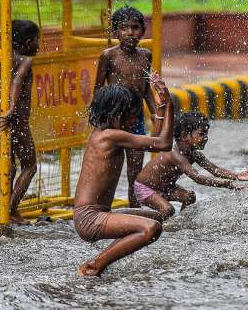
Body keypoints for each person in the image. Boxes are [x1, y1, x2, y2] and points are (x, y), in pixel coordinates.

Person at [74, 73, 174, 277]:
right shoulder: (111, 136)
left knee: (158, 217)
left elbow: (154, 140)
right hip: (90, 218)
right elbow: (164, 144)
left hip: (98, 214)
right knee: (151, 228)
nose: (134, 120)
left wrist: (161, 108)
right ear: (116, 114)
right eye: (131, 115)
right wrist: (170, 103)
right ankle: (95, 265)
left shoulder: (105, 134)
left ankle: (101, 261)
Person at [133, 112, 248, 220]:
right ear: (184, 136)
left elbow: (215, 169)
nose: (206, 138)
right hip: (145, 188)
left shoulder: (194, 154)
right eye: (201, 134)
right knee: (167, 210)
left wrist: (237, 176)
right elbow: (196, 178)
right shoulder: (175, 155)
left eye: (206, 134)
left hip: (166, 187)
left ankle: (180, 222)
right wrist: (226, 184)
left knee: (189, 197)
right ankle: (140, 220)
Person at [94, 5, 159, 207]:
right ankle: (101, 207)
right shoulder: (108, 56)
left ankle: (134, 207)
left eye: (135, 27)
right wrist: (99, 120)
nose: (130, 33)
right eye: (124, 28)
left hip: (136, 118)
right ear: (115, 32)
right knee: (108, 167)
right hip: (113, 121)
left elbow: (146, 88)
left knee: (135, 171)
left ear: (142, 30)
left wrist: (155, 114)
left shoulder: (146, 55)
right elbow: (98, 89)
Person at [0, 19, 40, 225]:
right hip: (15, 119)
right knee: (30, 165)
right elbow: (18, 80)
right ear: (28, 42)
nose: (38, 45)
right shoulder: (25, 60)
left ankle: (3, 210)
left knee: (8, 166)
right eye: (37, 41)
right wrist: (11, 109)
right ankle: (10, 210)